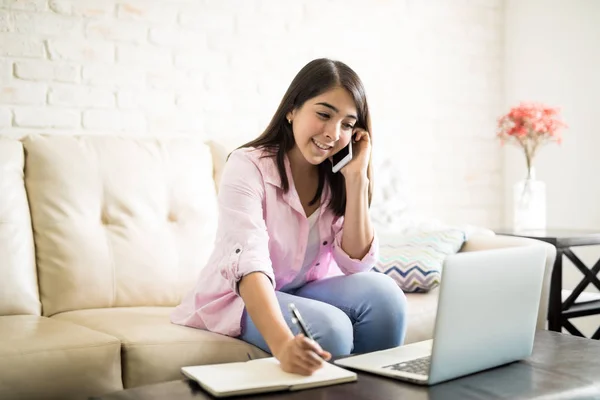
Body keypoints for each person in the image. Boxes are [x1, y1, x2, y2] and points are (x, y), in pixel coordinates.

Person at [171, 58, 407, 376]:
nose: (334, 133)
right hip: (239, 296)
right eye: (323, 114)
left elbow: (355, 262)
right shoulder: (247, 166)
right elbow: (248, 262)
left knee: (387, 298)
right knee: (331, 329)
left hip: (302, 289)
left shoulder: (335, 176)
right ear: (292, 109)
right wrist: (283, 345)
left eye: (348, 124)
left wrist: (357, 179)